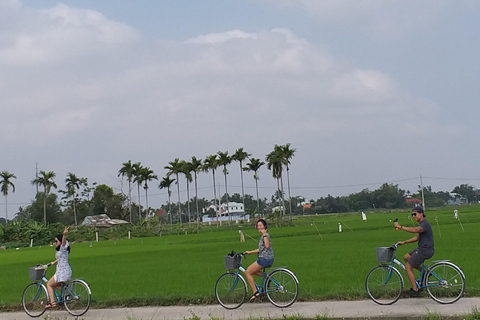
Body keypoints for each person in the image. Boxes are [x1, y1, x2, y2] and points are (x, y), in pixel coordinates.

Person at [393, 206, 434, 297]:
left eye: (415, 214)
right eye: (412, 215)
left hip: (425, 250)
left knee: (408, 267)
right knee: (406, 257)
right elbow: (417, 237)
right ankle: (425, 272)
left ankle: (415, 290)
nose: (413, 216)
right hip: (422, 249)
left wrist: (401, 227)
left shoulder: (424, 224)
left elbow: (416, 230)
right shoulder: (422, 224)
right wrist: (405, 242)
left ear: (421, 214)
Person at [244, 219, 274, 302]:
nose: (259, 227)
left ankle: (255, 292)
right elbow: (261, 249)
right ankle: (268, 278)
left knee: (248, 272)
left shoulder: (265, 235)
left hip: (264, 259)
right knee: (254, 271)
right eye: (258, 226)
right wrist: (250, 252)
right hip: (267, 258)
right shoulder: (263, 236)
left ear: (265, 227)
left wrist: (264, 234)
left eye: (261, 225)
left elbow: (267, 246)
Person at [45, 226, 72, 308]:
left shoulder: (63, 247)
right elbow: (61, 258)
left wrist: (64, 235)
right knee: (55, 285)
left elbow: (63, 242)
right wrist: (54, 262)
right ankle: (66, 291)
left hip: (62, 272)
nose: (55, 243)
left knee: (49, 284)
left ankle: (52, 302)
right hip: (66, 271)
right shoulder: (62, 250)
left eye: (56, 241)